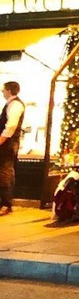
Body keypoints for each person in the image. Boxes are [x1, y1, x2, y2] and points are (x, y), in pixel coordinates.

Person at [0, 81, 25, 215]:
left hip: (8, 144)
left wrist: (1, 140)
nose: (2, 92)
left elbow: (10, 126)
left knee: (5, 172)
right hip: (7, 143)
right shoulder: (11, 104)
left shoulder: (15, 105)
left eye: (3, 90)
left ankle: (6, 204)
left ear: (9, 90)